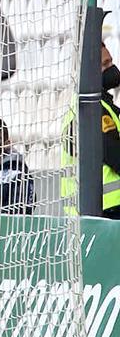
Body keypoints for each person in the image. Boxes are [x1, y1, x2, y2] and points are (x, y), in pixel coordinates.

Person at [62, 42, 120, 218]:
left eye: (110, 62)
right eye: (105, 65)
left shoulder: (88, 106)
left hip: (93, 208)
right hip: (107, 207)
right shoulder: (93, 110)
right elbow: (114, 154)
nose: (112, 68)